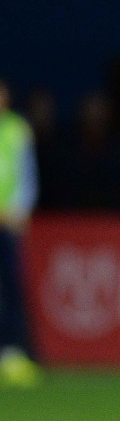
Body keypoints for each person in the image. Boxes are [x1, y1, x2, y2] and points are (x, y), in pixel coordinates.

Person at [0, 79, 40, 388]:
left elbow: (27, 176)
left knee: (12, 289)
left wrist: (19, 210)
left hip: (8, 224)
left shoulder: (16, 130)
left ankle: (14, 354)